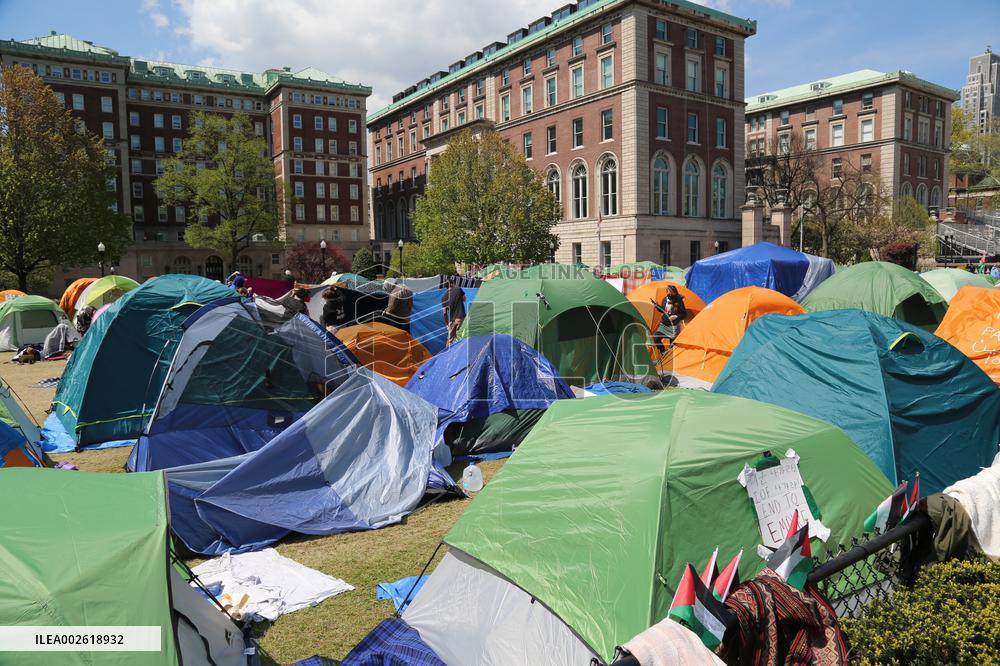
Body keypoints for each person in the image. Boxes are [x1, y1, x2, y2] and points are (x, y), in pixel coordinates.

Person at [651, 285, 686, 354]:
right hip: (664, 325)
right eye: (668, 292)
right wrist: (656, 306)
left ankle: (670, 360)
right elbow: (663, 310)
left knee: (672, 346)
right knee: (656, 338)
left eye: (671, 292)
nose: (669, 293)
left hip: (673, 326)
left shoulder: (678, 301)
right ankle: (663, 352)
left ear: (674, 293)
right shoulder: (664, 299)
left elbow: (684, 314)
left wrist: (676, 316)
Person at [442, 277, 466, 346]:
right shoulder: (458, 289)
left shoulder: (444, 297)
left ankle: (447, 354)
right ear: (452, 284)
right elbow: (464, 299)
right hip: (460, 318)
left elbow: (444, 313)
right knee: (462, 336)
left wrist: (447, 325)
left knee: (450, 340)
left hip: (452, 321)